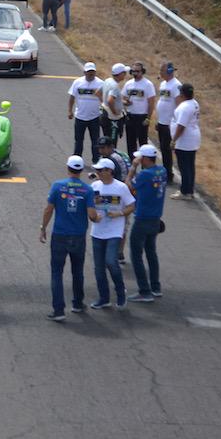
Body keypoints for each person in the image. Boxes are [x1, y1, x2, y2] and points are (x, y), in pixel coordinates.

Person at [40, 155, 100, 322]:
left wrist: (43, 228)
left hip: (60, 235)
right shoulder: (87, 190)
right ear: (81, 170)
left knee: (56, 272)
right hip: (78, 236)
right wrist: (97, 217)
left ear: (68, 168)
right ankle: (77, 303)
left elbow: (48, 209)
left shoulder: (58, 186)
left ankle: (58, 310)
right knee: (77, 271)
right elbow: (92, 215)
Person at [89, 158, 135, 310]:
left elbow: (131, 205)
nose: (98, 173)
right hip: (97, 231)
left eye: (100, 170)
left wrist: (119, 213)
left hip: (114, 231)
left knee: (111, 261)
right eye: (97, 170)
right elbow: (88, 206)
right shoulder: (94, 186)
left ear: (109, 171)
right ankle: (104, 298)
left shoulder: (121, 187)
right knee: (98, 267)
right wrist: (93, 216)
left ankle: (121, 292)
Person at [125, 144, 166, 302]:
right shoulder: (162, 171)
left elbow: (129, 185)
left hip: (142, 218)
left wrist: (132, 168)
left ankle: (144, 290)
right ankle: (155, 287)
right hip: (155, 218)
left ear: (145, 158)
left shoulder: (144, 175)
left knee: (136, 255)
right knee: (151, 253)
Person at [67, 62, 104, 163]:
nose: (90, 74)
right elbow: (72, 97)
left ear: (95, 72)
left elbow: (104, 100)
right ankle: (77, 160)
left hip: (95, 117)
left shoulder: (101, 84)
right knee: (78, 141)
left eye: (92, 72)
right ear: (84, 72)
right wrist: (70, 111)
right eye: (88, 72)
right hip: (80, 116)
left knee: (95, 141)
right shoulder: (77, 82)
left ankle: (96, 161)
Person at [170, 83, 200, 201]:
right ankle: (189, 190)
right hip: (192, 138)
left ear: (182, 94)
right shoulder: (194, 103)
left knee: (184, 167)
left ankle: (185, 191)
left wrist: (174, 140)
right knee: (190, 166)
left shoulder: (184, 107)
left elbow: (181, 126)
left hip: (185, 140)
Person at [154, 62, 182, 184]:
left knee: (167, 149)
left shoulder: (176, 85)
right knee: (163, 148)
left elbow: (179, 104)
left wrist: (175, 121)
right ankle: (166, 171)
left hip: (170, 123)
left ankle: (169, 175)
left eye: (162, 71)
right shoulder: (163, 84)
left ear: (169, 72)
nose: (160, 73)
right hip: (162, 121)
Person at [121, 61, 156, 155]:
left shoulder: (148, 84)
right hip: (130, 116)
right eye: (133, 71)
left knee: (143, 143)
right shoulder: (128, 84)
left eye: (137, 71)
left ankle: (145, 166)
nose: (135, 73)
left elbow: (151, 103)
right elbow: (123, 98)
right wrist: (126, 102)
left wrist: (148, 118)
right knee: (130, 143)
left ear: (142, 71)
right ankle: (132, 165)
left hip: (142, 117)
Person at [101, 63, 128, 142]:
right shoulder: (115, 86)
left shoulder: (107, 81)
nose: (125, 75)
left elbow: (98, 92)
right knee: (111, 142)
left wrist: (104, 103)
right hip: (112, 119)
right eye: (124, 73)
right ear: (120, 74)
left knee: (107, 140)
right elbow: (110, 100)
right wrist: (115, 112)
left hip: (104, 114)